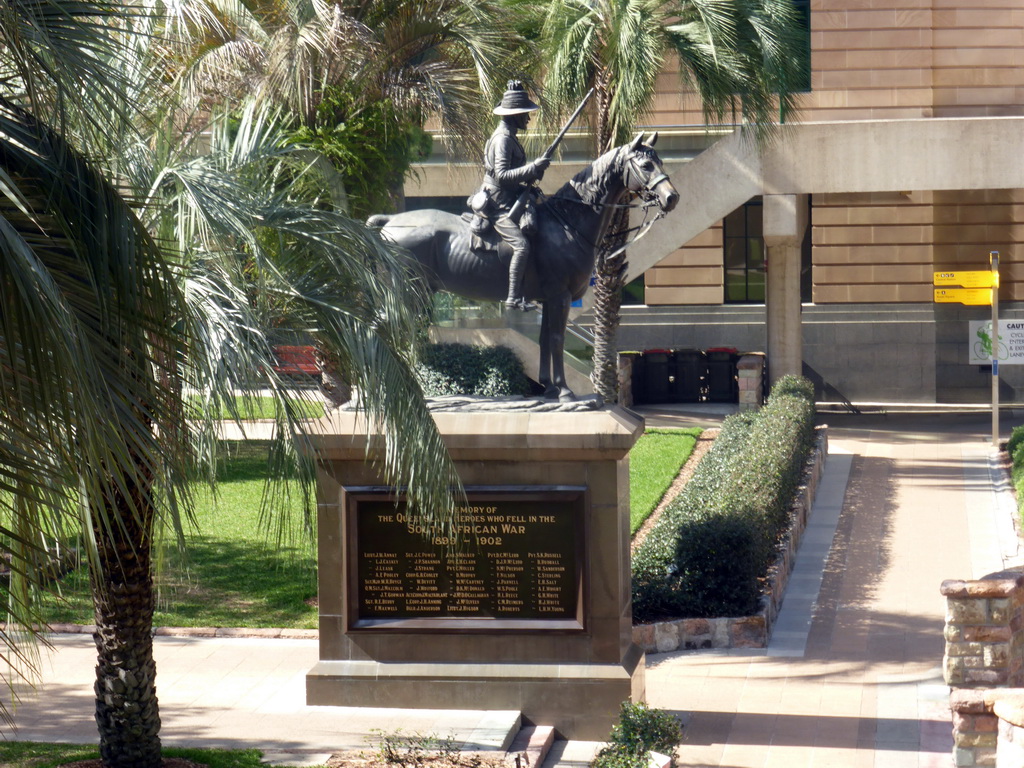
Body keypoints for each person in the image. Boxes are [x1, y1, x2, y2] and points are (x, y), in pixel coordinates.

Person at [481, 81, 550, 311]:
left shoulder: (509, 135)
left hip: (510, 195)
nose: (528, 119)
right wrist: (533, 168)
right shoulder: (503, 139)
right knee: (521, 246)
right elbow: (501, 175)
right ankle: (513, 297)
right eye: (525, 114)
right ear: (515, 115)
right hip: (498, 203)